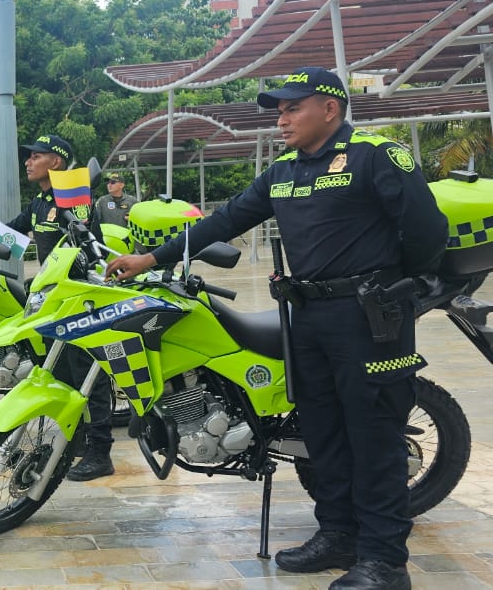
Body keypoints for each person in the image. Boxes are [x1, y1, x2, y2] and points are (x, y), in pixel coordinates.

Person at [105, 67, 446, 590]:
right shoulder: (283, 171)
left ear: (330, 108)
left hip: (368, 318)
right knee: (322, 433)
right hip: (304, 317)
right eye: (279, 110)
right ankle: (337, 534)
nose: (281, 119)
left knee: (374, 438)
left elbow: (426, 230)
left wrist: (398, 288)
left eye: (293, 108)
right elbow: (225, 221)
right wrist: (150, 257)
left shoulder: (375, 156)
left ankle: (384, 562)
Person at [0, 133, 117, 482]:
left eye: (35, 156)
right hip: (52, 297)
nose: (28, 162)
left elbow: (82, 232)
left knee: (85, 372)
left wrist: (71, 200)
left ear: (56, 161)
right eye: (29, 157)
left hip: (78, 295)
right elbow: (12, 234)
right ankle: (78, 436)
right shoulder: (40, 202)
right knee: (61, 371)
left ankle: (101, 451)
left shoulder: (75, 198)